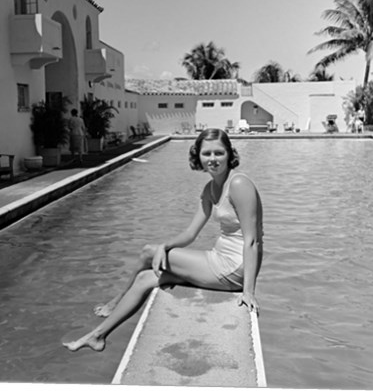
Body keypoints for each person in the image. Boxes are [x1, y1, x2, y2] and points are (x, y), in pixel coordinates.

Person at [63, 128, 263, 352]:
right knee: (147, 278)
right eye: (207, 154)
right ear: (198, 156)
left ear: (229, 154)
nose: (213, 160)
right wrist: (165, 247)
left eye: (219, 153)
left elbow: (252, 240)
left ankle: (116, 299)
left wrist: (248, 292)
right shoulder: (210, 188)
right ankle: (98, 336)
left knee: (149, 252)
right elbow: (190, 233)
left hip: (235, 266)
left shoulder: (239, 184)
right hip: (219, 258)